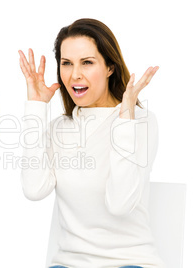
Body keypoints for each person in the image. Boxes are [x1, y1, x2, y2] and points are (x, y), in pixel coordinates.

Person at [18, 18, 164, 268]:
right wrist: (36, 107)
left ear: (110, 67)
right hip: (69, 263)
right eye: (67, 63)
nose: (75, 74)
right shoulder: (58, 128)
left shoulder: (140, 121)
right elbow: (34, 190)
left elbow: (120, 204)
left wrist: (125, 120)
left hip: (129, 262)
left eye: (87, 62)